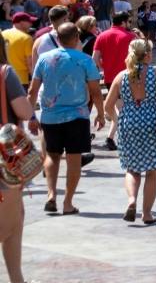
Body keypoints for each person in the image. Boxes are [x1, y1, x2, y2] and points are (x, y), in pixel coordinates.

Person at [28, 23, 102, 216]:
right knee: (74, 158)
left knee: (52, 155)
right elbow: (95, 91)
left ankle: (51, 195)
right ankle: (68, 202)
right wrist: (101, 114)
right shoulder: (85, 60)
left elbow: (33, 90)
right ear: (77, 38)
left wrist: (31, 116)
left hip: (50, 116)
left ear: (58, 39)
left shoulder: (44, 59)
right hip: (77, 116)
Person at [105, 36, 156, 224]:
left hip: (128, 123)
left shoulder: (121, 76)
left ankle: (131, 200)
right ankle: (146, 213)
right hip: (153, 124)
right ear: (148, 54)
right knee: (153, 171)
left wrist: (117, 117)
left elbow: (107, 105)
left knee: (132, 168)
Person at [0, 59, 42, 283]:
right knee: (8, 224)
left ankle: (17, 282)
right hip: (5, 160)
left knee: (16, 219)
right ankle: (16, 282)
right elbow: (24, 111)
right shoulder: (5, 74)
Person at [92, 9, 138, 148]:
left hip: (110, 77)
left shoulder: (102, 36)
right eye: (128, 21)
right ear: (123, 22)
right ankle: (120, 138)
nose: (129, 24)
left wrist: (104, 66)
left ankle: (111, 137)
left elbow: (94, 58)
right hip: (128, 76)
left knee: (121, 108)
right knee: (126, 109)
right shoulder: (131, 36)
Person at [3, 11, 34, 85]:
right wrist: (34, 79)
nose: (31, 24)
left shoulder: (2, 34)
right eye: (29, 22)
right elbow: (29, 62)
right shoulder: (26, 38)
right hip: (20, 79)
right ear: (21, 22)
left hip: (3, 76)